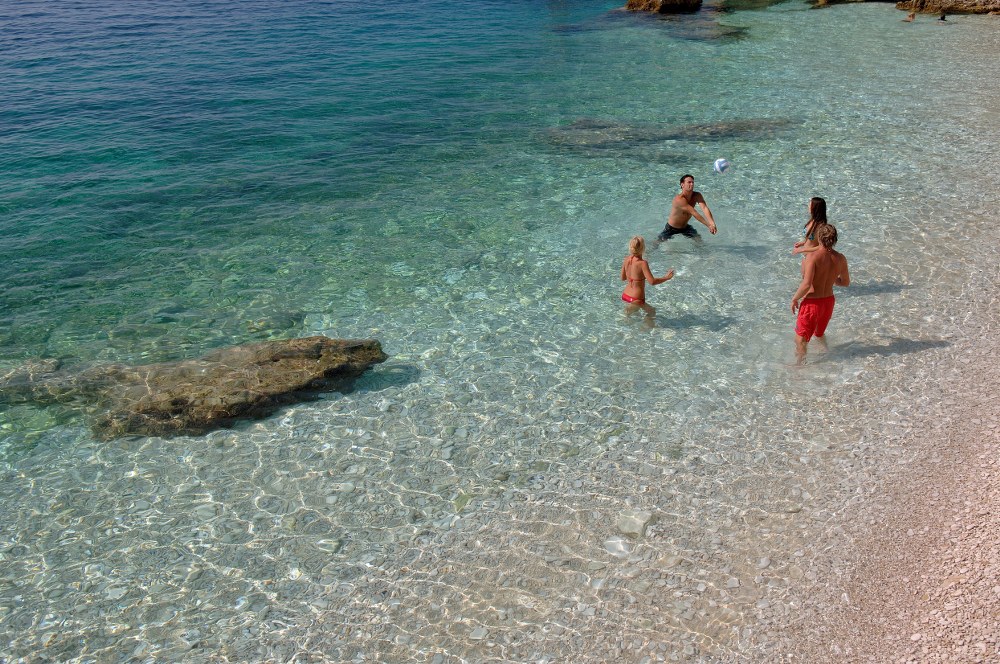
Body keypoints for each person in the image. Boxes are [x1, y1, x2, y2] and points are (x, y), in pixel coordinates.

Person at [791, 224, 850, 361]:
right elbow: (845, 282)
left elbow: (806, 284)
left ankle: (799, 368)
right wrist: (831, 278)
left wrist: (795, 299)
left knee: (800, 339)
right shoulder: (841, 258)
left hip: (812, 304)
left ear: (819, 238)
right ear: (835, 239)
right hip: (828, 302)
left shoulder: (812, 257)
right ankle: (826, 354)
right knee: (819, 333)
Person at [621, 235, 674, 321]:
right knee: (652, 312)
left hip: (626, 295)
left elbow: (623, 278)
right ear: (643, 248)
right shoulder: (643, 263)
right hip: (636, 298)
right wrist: (666, 278)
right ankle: (646, 331)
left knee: (631, 317)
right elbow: (652, 282)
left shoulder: (626, 259)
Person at [656, 174, 718, 242]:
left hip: (685, 227)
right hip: (671, 228)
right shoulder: (679, 199)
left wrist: (712, 223)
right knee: (657, 243)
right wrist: (709, 225)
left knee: (698, 239)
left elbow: (704, 208)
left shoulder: (697, 195)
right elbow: (694, 213)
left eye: (692, 182)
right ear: (682, 185)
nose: (691, 184)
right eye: (689, 182)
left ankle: (702, 252)